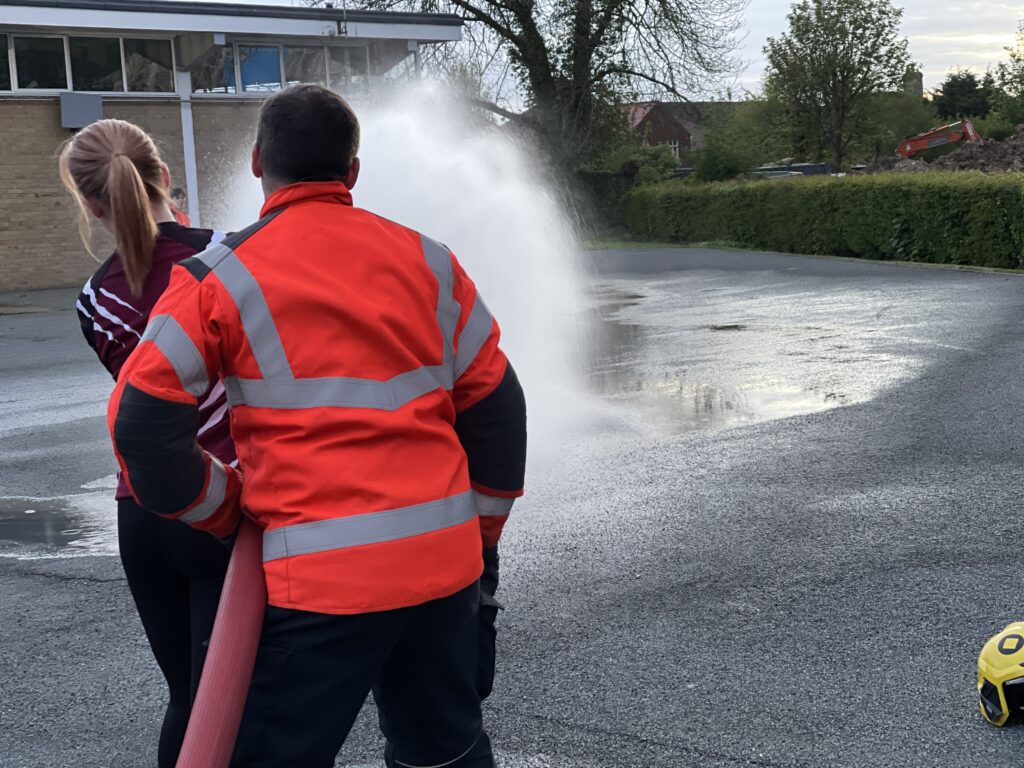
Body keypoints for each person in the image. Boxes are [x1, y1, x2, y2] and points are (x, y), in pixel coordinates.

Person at [106, 84, 528, 767]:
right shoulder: (430, 260)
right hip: (444, 569)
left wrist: (223, 509)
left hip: (323, 582)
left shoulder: (215, 279)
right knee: (443, 750)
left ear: (256, 163)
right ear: (352, 171)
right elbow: (498, 406)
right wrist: (478, 533)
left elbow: (142, 423)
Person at [60, 118, 234, 768]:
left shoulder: (93, 299)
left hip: (142, 514)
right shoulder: (229, 256)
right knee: (242, 705)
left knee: (189, 701)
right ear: (163, 175)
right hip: (222, 504)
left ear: (90, 203)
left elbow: (149, 411)